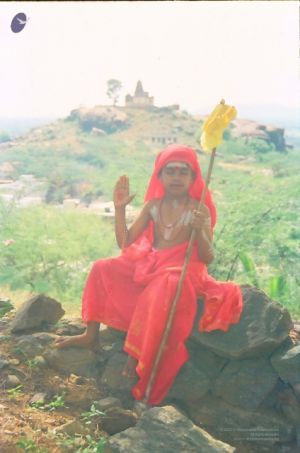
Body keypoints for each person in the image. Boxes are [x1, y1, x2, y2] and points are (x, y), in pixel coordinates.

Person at [54, 144, 243, 405]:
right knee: (103, 267)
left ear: (192, 178)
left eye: (183, 172)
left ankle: (138, 353)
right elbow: (125, 242)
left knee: (164, 284)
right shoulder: (153, 206)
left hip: (183, 270)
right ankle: (91, 334)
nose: (176, 177)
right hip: (151, 264)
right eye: (170, 171)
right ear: (160, 176)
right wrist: (119, 209)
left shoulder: (200, 210)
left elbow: (208, 257)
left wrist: (200, 230)